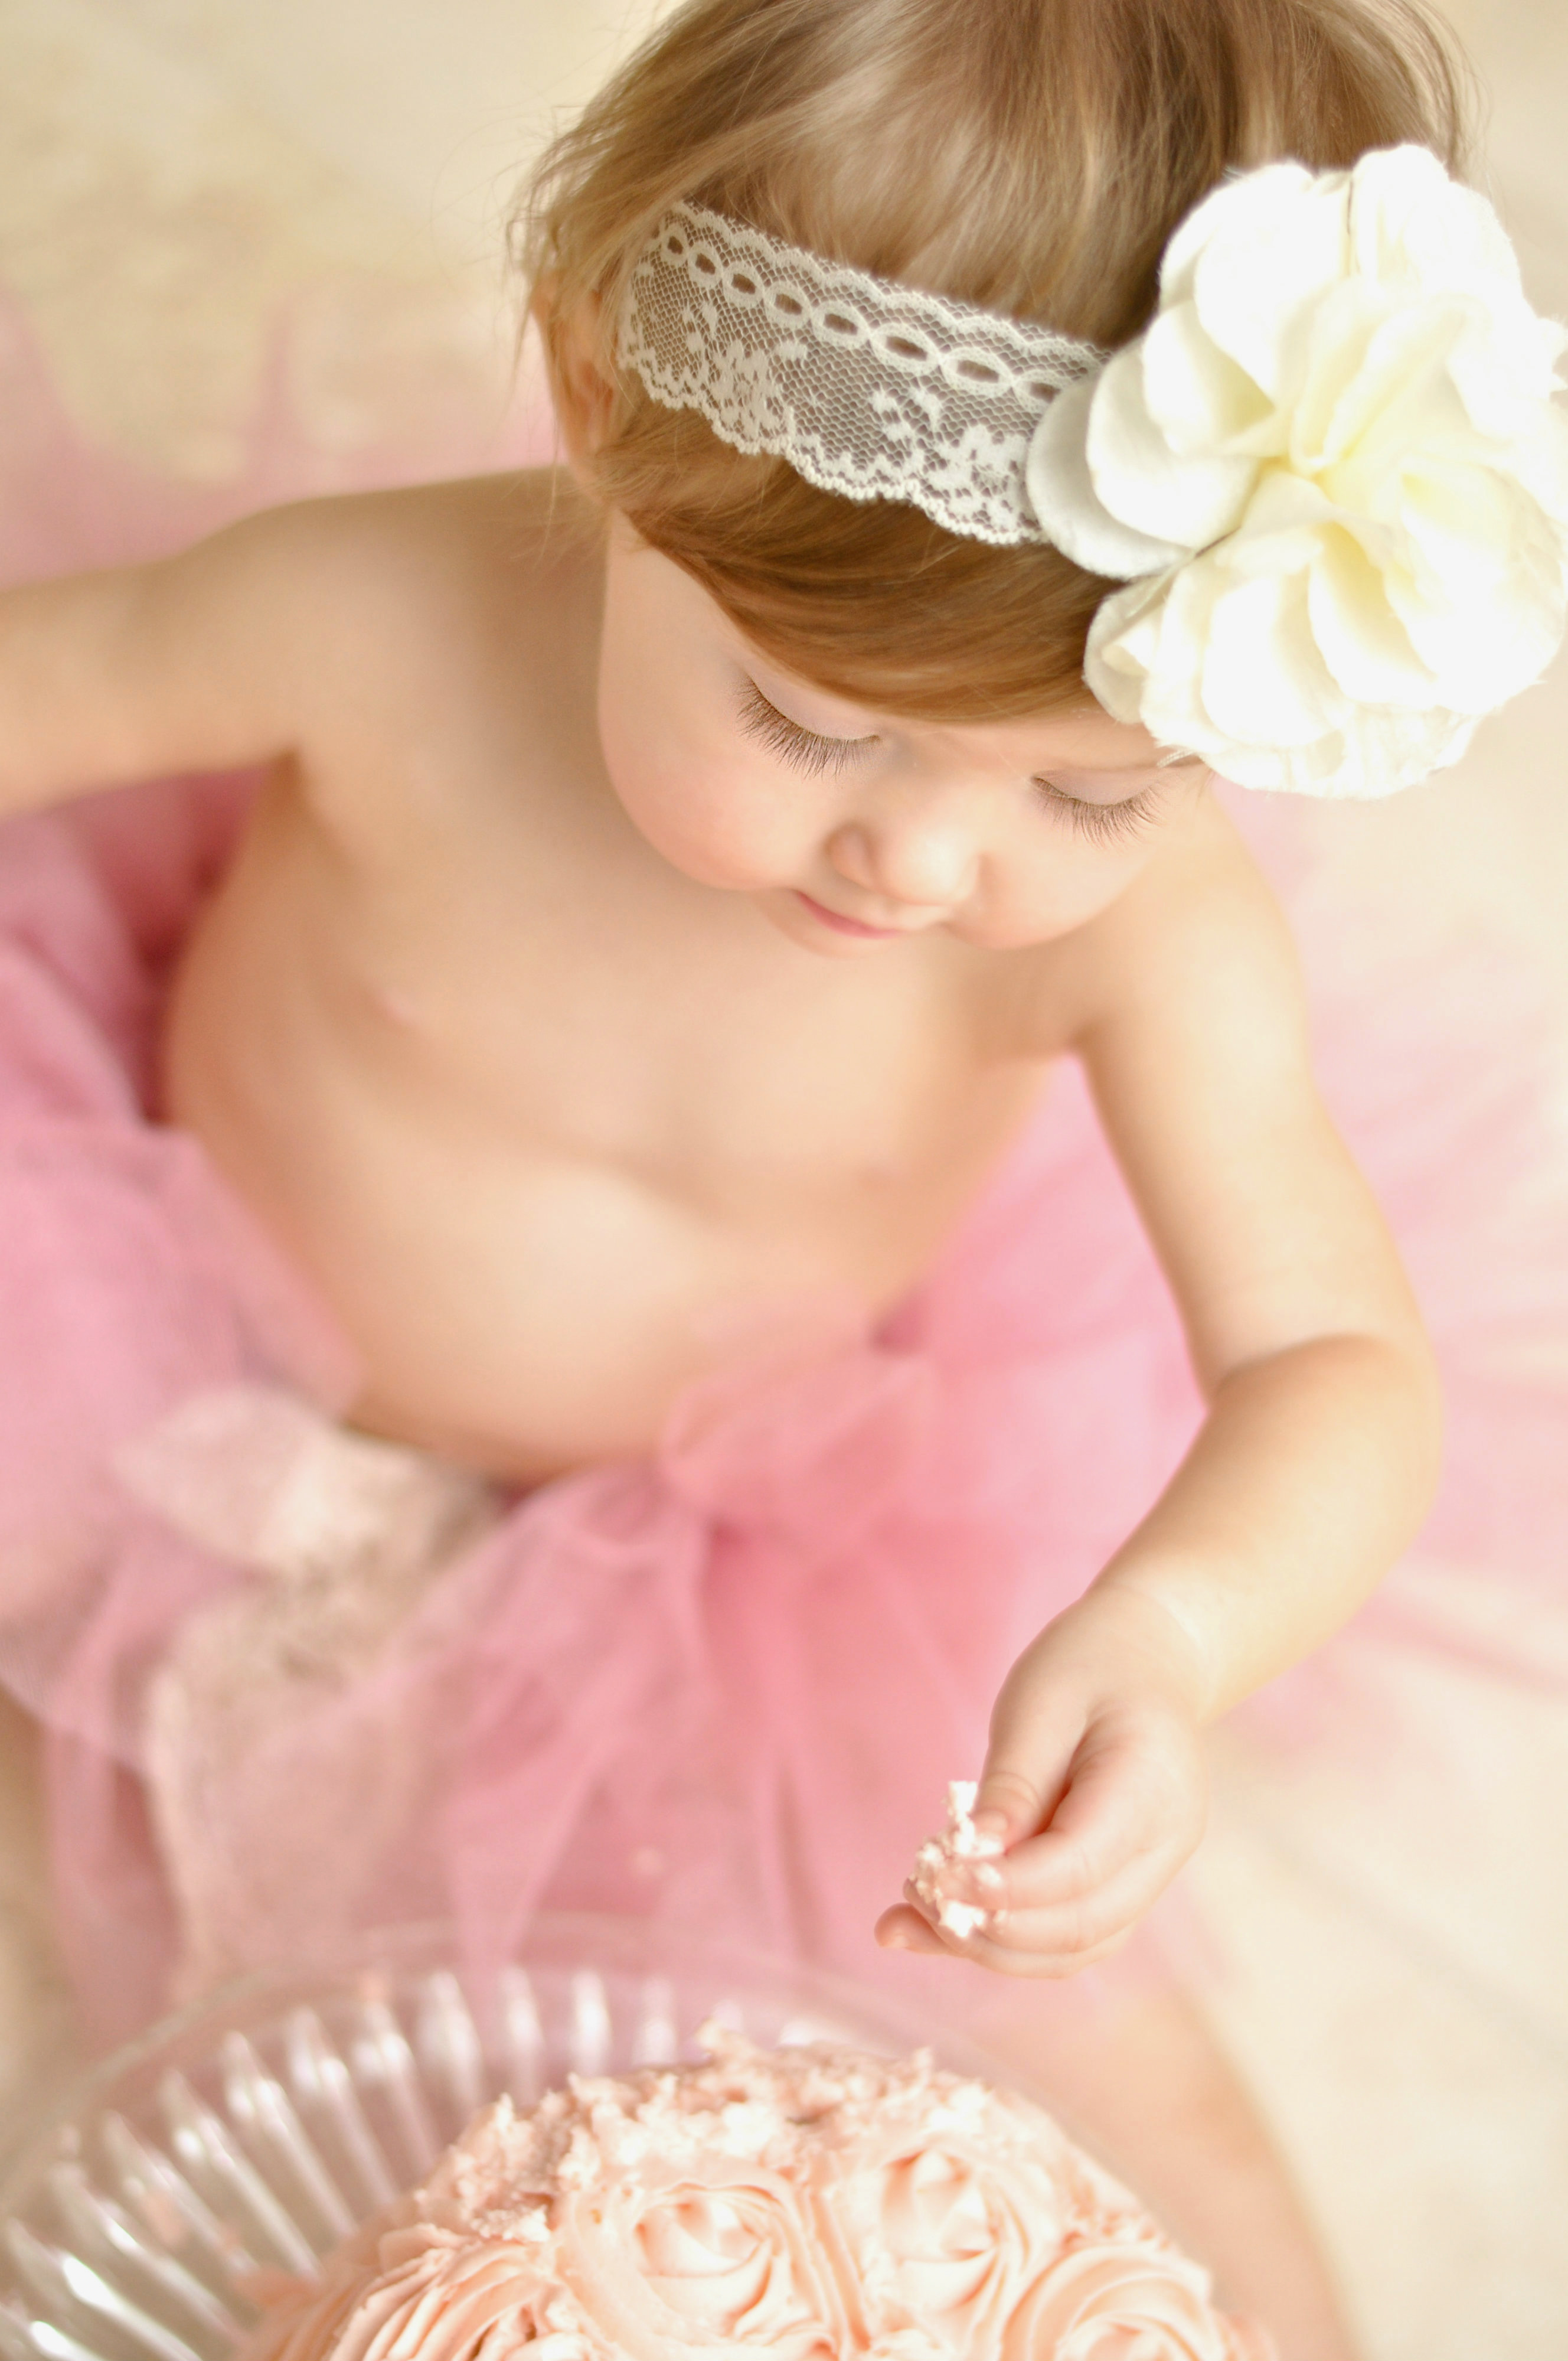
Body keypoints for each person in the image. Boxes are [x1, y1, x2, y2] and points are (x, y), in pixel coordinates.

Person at [1, 0, 1564, 2346]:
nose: (921, 859)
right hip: (163, 1299)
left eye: (1086, 786)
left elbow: (1333, 1355)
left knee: (1034, 2030)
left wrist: (1170, 1635)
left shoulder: (1143, 931)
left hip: (723, 1528)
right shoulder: (382, 626)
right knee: (186, 1932)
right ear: (596, 399)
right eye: (813, 722)